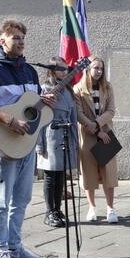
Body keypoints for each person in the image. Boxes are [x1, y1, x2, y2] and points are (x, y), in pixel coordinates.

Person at [0, 19, 56, 258]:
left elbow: (30, 104)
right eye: (15, 37)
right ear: (2, 41)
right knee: (0, 200)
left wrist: (45, 101)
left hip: (26, 144)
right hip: (2, 144)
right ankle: (1, 251)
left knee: (22, 199)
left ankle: (16, 247)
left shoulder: (29, 70)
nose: (20, 41)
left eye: (22, 37)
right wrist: (8, 120)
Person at [73, 55, 120, 223]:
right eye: (96, 68)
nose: (99, 71)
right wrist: (93, 129)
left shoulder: (107, 87)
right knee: (89, 173)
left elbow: (111, 111)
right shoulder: (78, 89)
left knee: (109, 173)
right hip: (88, 135)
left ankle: (110, 208)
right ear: (88, 69)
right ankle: (92, 207)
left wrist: (98, 125)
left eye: (101, 68)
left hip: (106, 134)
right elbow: (78, 114)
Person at [36, 56, 79, 228]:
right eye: (60, 68)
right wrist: (39, 144)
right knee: (50, 176)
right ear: (52, 70)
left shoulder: (69, 91)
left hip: (66, 135)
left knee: (61, 176)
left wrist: (75, 141)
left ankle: (58, 209)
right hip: (49, 136)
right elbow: (38, 118)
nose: (64, 71)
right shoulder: (45, 88)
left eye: (65, 68)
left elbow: (73, 118)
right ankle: (49, 211)